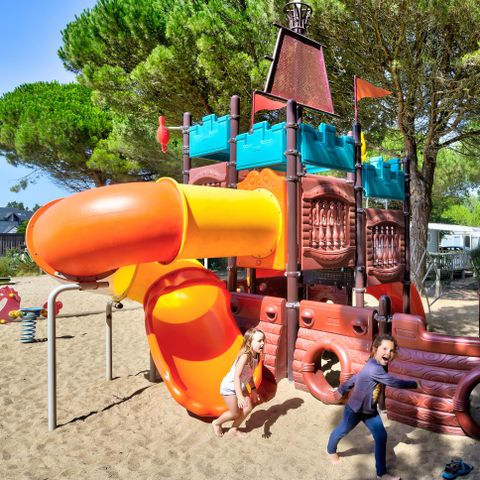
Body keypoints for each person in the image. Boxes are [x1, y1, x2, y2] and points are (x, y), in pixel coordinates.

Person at [326, 334, 418, 480]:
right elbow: (393, 382)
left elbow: (357, 377)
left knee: (381, 436)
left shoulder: (376, 365)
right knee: (342, 430)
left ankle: (381, 474)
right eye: (384, 349)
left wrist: (342, 389)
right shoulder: (374, 369)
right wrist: (415, 384)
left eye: (391, 350)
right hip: (355, 409)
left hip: (369, 410)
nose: (388, 353)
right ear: (375, 349)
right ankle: (330, 450)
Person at [212, 327, 265, 437]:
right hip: (230, 387)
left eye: (263, 340)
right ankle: (216, 423)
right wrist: (240, 397)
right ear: (249, 343)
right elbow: (236, 377)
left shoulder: (257, 355)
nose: (262, 343)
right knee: (235, 413)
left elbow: (249, 374)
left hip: (241, 386)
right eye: (259, 341)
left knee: (248, 408)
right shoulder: (245, 356)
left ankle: (233, 429)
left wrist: (253, 390)